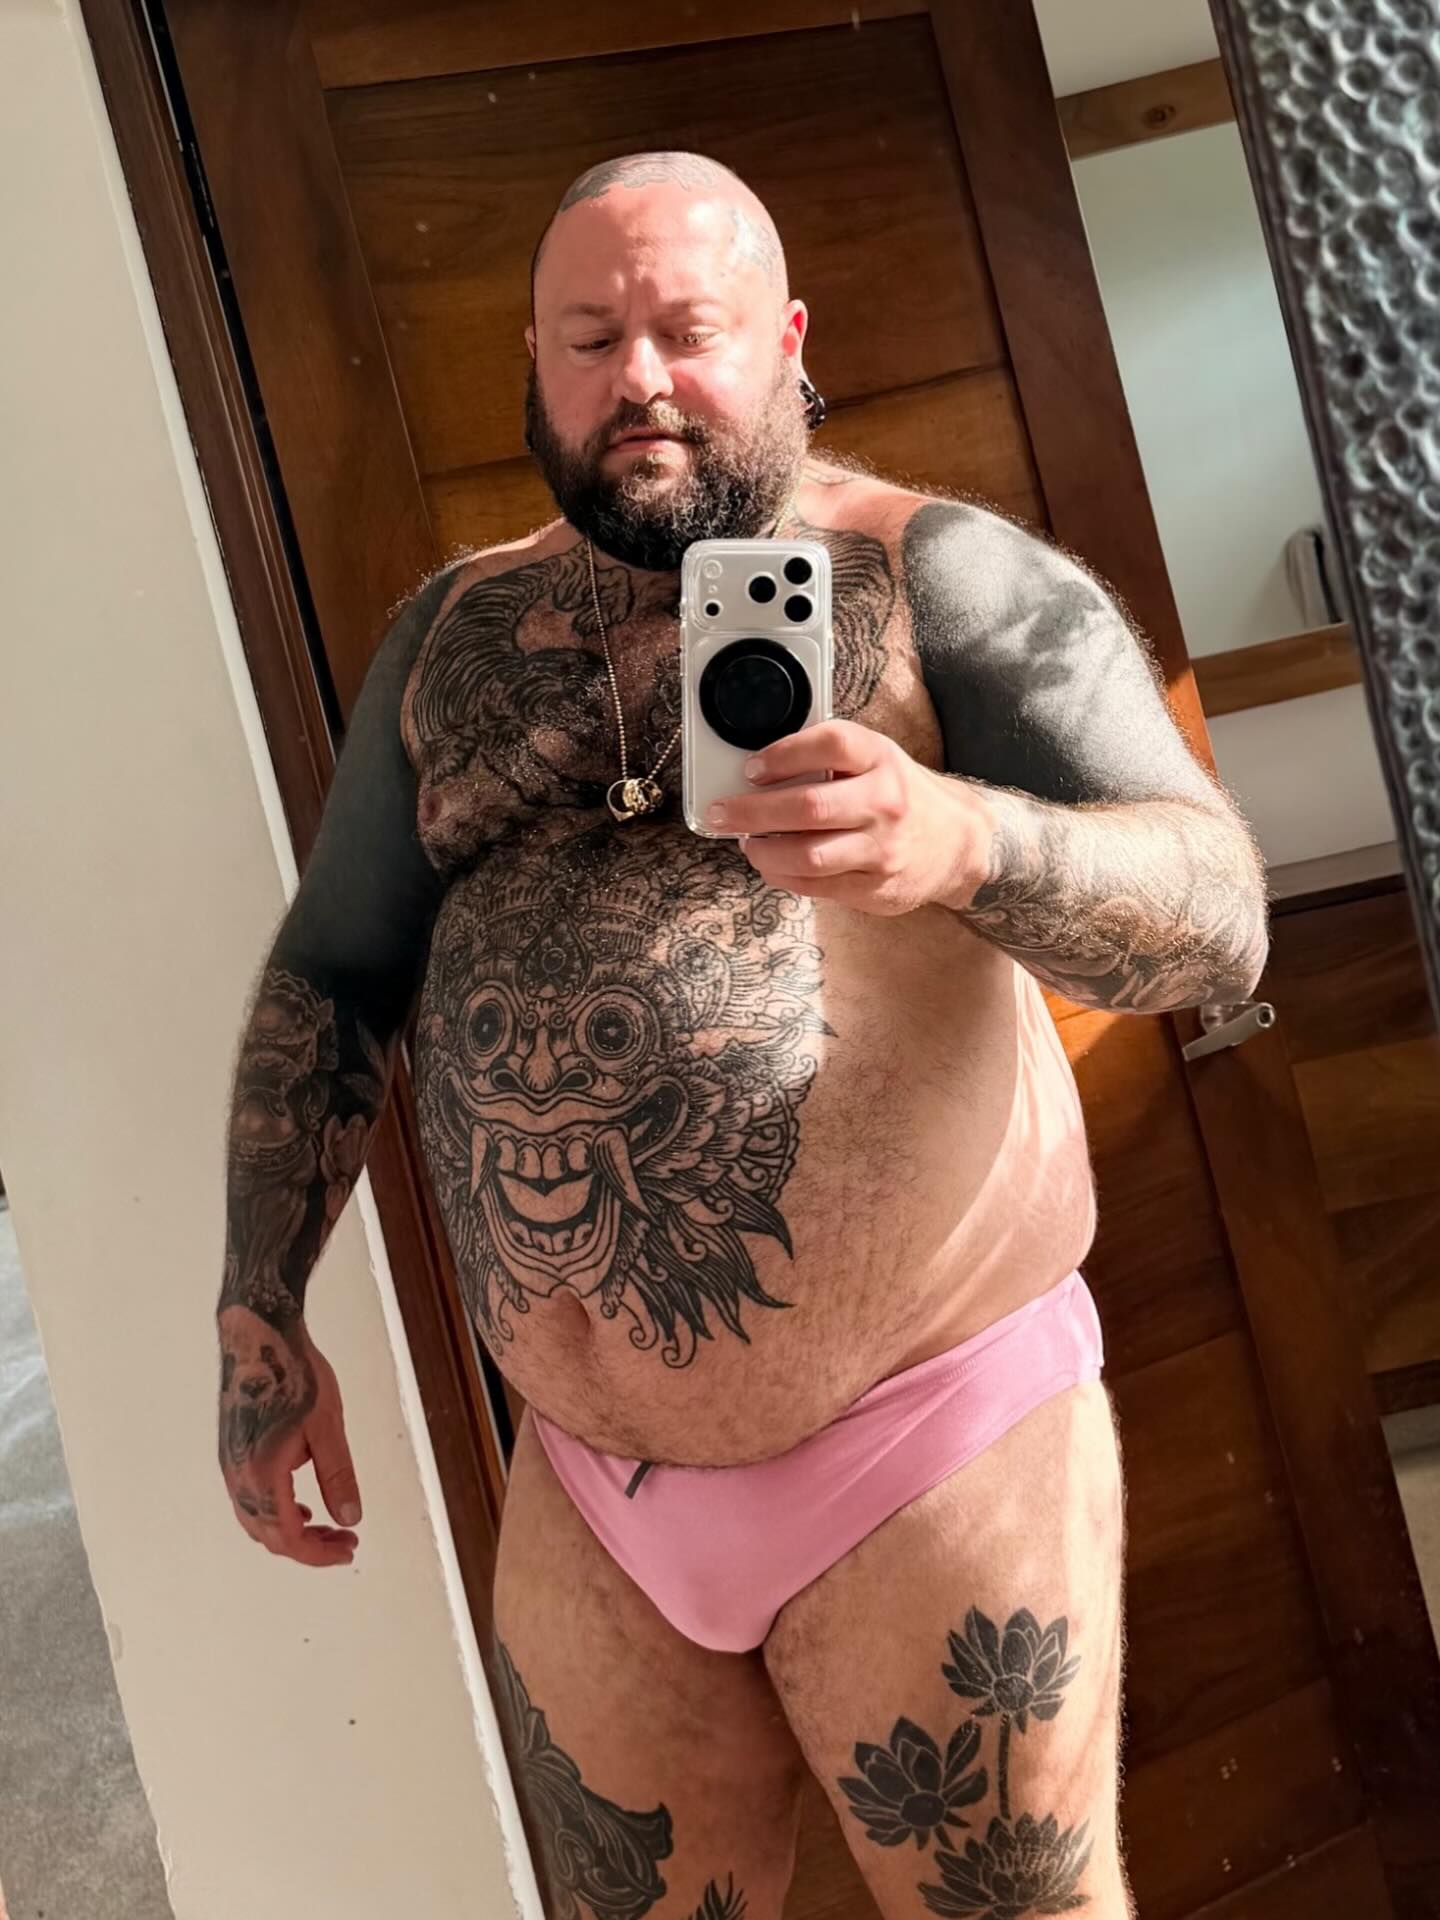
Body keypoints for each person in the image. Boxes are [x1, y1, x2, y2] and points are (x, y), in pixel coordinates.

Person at [216, 151, 1267, 1920]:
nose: (638, 378)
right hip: (588, 1489)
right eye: (589, 338)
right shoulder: (451, 641)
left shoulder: (945, 578)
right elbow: (331, 974)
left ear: (785, 340)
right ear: (535, 371)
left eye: (688, 331)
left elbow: (1217, 911)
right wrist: (260, 1313)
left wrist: (963, 840)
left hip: (923, 1436)